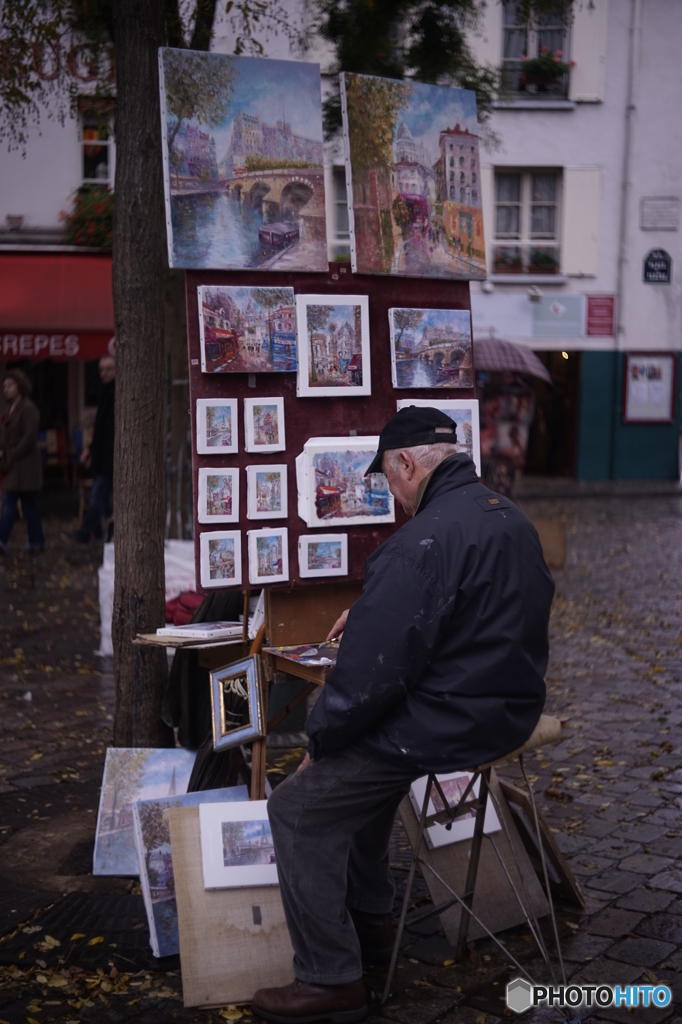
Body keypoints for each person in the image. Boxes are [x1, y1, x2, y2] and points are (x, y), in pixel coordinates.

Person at [252, 407, 555, 1024]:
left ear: (408, 465)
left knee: (297, 809)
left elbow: (367, 683)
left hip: (448, 724)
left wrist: (321, 739)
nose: (390, 496)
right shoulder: (511, 519)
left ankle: (329, 978)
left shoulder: (419, 542)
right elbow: (476, 622)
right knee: (362, 785)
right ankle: (373, 921)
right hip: (509, 711)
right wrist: (372, 614)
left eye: (388, 481)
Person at [0, 369, 45, 554]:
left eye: (10, 385)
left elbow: (29, 436)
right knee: (25, 503)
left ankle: (2, 540)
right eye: (4, 386)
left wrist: (13, 454)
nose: (6, 389)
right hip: (13, 464)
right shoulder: (10, 408)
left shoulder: (28, 407)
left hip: (25, 465)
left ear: (19, 386)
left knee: (16, 502)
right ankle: (37, 541)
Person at [72, 354, 115, 543]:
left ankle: (85, 532)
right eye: (101, 369)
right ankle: (98, 531)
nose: (104, 373)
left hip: (110, 457)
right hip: (100, 456)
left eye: (108, 369)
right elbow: (99, 428)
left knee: (98, 496)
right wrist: (89, 449)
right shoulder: (104, 392)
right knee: (102, 499)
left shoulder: (115, 392)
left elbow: (108, 429)